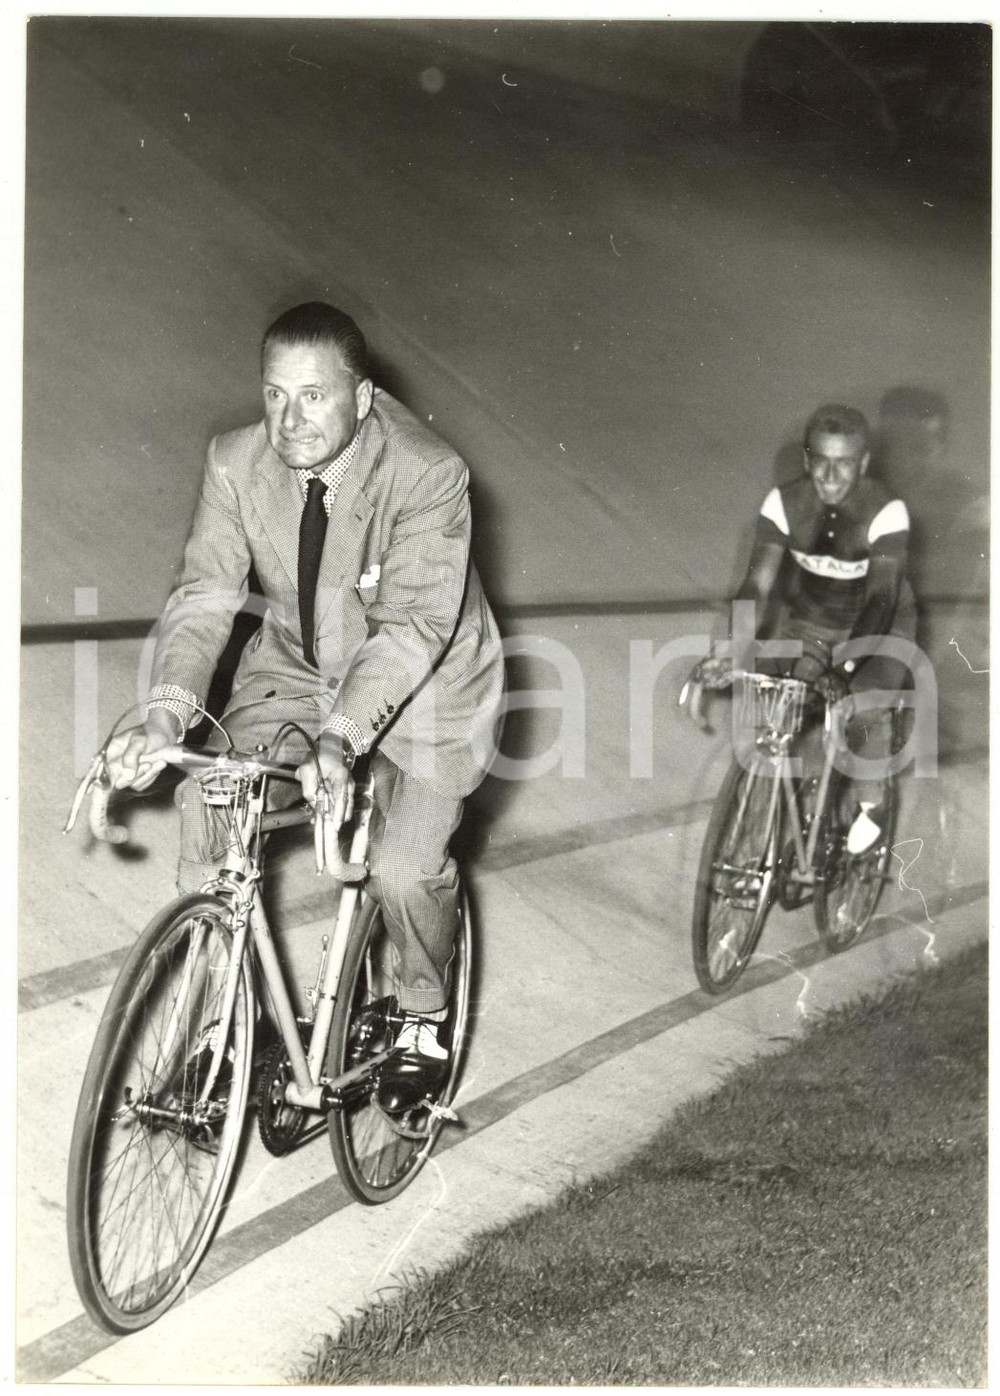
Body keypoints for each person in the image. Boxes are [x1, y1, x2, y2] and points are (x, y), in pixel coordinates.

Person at [107, 301, 505, 1112]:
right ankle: (224, 1025)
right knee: (209, 805)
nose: (290, 420)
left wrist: (341, 739)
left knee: (400, 868)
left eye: (314, 396)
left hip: (428, 686)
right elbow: (204, 598)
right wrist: (164, 719)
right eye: (276, 395)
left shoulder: (429, 473)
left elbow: (409, 631)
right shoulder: (234, 461)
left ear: (362, 398)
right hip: (299, 668)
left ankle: (424, 1016)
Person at [697, 403, 916, 852]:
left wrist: (846, 670)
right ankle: (786, 810)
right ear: (806, 459)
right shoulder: (783, 504)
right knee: (783, 708)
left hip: (881, 629)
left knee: (862, 707)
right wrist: (731, 649)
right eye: (821, 461)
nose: (831, 477)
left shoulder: (886, 511)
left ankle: (870, 804)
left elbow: (880, 599)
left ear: (865, 465)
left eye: (845, 464)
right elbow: (756, 584)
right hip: (813, 622)